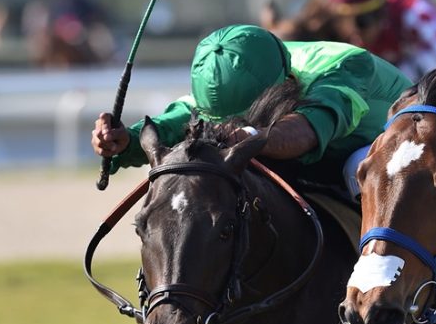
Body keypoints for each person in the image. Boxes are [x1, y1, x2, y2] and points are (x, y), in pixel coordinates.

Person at [91, 24, 412, 198]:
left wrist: (251, 133)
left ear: (288, 82)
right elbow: (180, 118)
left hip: (376, 148)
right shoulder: (234, 75)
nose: (232, 124)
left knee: (363, 169)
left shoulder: (344, 67)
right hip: (295, 153)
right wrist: (127, 140)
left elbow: (305, 130)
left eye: (244, 116)